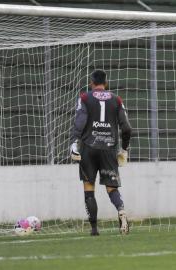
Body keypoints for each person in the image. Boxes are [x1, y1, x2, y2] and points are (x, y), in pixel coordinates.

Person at [70, 69, 132, 236]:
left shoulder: (85, 97)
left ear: (91, 83)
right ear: (106, 83)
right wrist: (124, 150)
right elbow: (126, 128)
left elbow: (80, 122)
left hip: (89, 148)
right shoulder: (117, 99)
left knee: (89, 188)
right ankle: (121, 210)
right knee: (112, 188)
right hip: (109, 149)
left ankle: (94, 229)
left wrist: (74, 141)